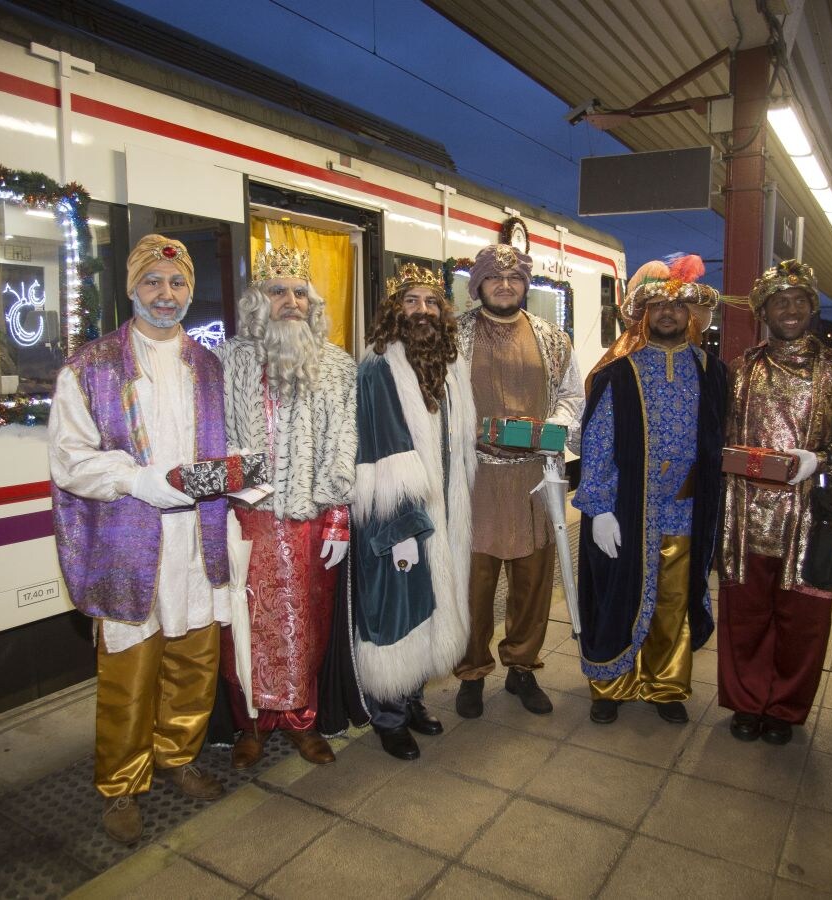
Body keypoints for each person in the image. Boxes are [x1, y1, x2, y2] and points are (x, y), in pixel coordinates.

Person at [49, 234, 229, 844]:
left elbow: (225, 449)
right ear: (132, 288)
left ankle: (178, 756)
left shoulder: (208, 366)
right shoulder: (90, 367)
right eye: (153, 282)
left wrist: (241, 476)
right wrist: (138, 480)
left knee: (193, 661)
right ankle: (122, 784)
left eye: (177, 284)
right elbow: (70, 460)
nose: (166, 294)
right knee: (129, 669)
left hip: (198, 540)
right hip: (130, 539)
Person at [718, 259, 832, 746]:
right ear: (763, 311)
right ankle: (747, 703)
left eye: (798, 301)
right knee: (745, 615)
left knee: (802, 622)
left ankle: (785, 709)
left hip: (812, 518)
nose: (789, 310)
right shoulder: (741, 369)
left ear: (811, 307)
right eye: (778, 302)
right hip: (746, 516)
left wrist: (822, 460)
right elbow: (720, 433)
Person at [213, 246, 358, 769]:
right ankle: (250, 726)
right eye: (278, 291)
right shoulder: (227, 362)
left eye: (300, 292)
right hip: (243, 521)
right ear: (259, 301)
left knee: (306, 624)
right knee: (242, 627)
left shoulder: (337, 365)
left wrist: (339, 515)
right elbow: (213, 438)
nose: (290, 301)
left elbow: (345, 440)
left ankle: (302, 721)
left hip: (308, 521)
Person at [572, 255, 727, 726]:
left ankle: (665, 685)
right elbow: (596, 440)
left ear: (691, 317)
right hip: (625, 510)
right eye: (658, 304)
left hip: (684, 508)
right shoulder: (619, 372)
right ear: (643, 313)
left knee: (673, 601)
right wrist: (598, 508)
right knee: (617, 594)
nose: (668, 313)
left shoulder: (713, 372)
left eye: (677, 306)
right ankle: (611, 684)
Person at [453, 244, 584, 719]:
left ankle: (522, 668)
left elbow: (572, 395)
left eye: (513, 279)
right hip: (474, 479)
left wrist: (553, 429)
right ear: (479, 285)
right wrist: (468, 435)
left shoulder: (553, 339)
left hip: (535, 476)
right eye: (493, 278)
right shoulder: (455, 336)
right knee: (473, 584)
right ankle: (471, 672)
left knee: (532, 583)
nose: (504, 285)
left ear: (525, 285)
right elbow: (439, 401)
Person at [352, 263, 476, 760]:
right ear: (393, 311)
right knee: (396, 609)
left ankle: (414, 699)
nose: (421, 311)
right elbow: (382, 455)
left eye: (430, 301)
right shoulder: (378, 367)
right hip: (398, 520)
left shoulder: (450, 365)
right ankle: (388, 716)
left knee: (431, 604)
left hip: (443, 514)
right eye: (410, 301)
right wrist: (403, 528)